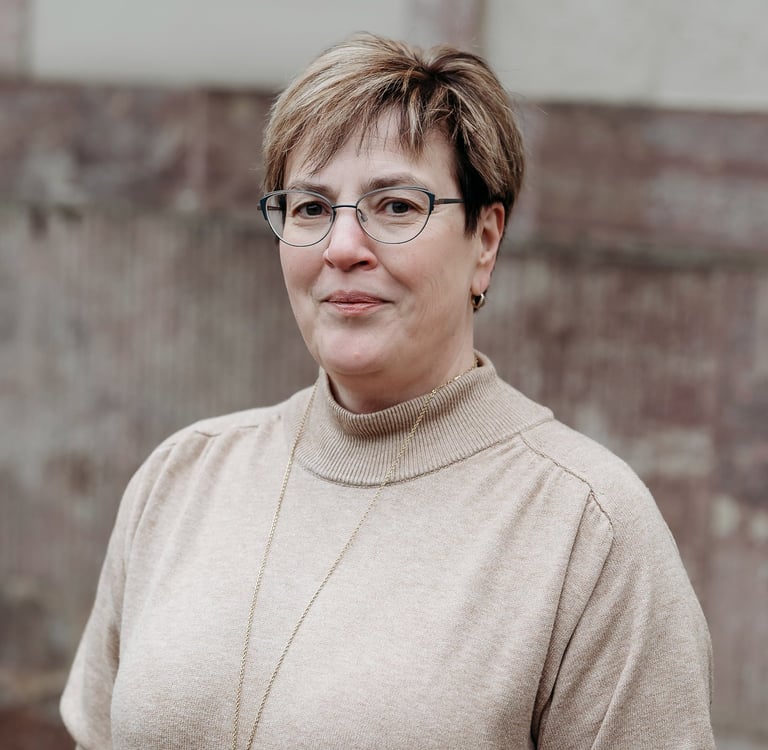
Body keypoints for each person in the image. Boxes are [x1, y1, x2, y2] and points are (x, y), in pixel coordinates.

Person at [60, 33, 714, 750]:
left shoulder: (587, 529)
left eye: (396, 206)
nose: (343, 247)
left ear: (485, 239)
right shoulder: (182, 478)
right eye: (311, 208)